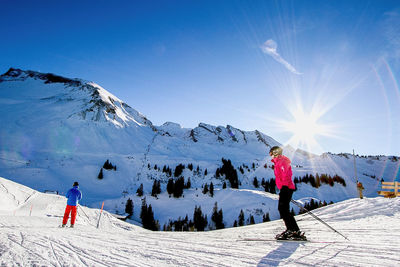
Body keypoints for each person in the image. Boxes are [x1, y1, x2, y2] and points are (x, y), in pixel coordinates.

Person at [269, 146, 306, 240]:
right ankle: (294, 230)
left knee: (283, 209)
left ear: (276, 153)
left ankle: (292, 230)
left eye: (271, 154)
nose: (271, 156)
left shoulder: (282, 161)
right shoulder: (278, 162)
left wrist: (285, 187)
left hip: (286, 187)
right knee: (284, 209)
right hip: (285, 188)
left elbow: (286, 174)